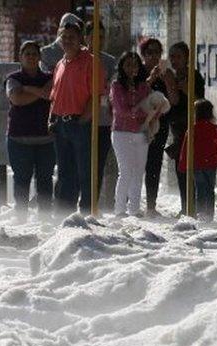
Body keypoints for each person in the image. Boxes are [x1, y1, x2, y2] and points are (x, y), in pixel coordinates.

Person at [50, 20, 98, 215]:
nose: (68, 40)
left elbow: (95, 96)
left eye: (72, 37)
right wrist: (51, 119)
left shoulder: (90, 61)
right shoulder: (60, 63)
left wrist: (82, 120)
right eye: (65, 37)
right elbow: (54, 95)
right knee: (64, 174)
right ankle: (65, 215)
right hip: (60, 124)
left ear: (81, 39)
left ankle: (86, 214)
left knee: (84, 173)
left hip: (80, 124)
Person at [5, 41, 55, 223]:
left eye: (35, 54)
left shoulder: (50, 77)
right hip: (19, 139)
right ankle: (20, 218)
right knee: (21, 180)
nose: (31, 57)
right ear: (20, 57)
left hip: (46, 139)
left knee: (45, 180)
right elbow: (17, 99)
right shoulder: (12, 78)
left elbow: (51, 94)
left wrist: (28, 88)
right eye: (28, 54)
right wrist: (39, 92)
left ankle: (44, 219)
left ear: (40, 57)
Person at [163, 42, 205, 216]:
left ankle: (193, 207)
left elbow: (199, 100)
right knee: (181, 168)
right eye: (172, 57)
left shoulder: (193, 76)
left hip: (192, 124)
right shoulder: (171, 75)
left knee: (191, 167)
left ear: (187, 58)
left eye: (178, 56)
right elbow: (172, 101)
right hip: (177, 126)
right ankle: (185, 206)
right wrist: (170, 84)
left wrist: (185, 89)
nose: (175, 60)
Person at [109, 52, 152, 217]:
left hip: (141, 132)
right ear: (122, 67)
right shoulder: (117, 85)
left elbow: (151, 106)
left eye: (134, 65)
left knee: (139, 171)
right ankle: (120, 208)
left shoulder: (143, 86)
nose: (131, 69)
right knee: (125, 170)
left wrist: (143, 113)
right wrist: (140, 112)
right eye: (128, 65)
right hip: (121, 132)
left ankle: (134, 208)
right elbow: (121, 110)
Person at [139, 38, 175, 216]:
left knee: (154, 164)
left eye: (157, 53)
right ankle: (131, 203)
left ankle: (151, 205)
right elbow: (135, 97)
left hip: (159, 126)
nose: (153, 56)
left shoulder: (165, 75)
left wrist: (168, 81)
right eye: (149, 53)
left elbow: (173, 100)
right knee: (135, 164)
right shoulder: (136, 73)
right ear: (143, 55)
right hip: (137, 127)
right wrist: (151, 79)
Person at [85, 19, 117, 208]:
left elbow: (112, 88)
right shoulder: (78, 59)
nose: (99, 41)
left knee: (99, 166)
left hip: (104, 120)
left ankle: (94, 204)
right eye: (95, 37)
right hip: (82, 118)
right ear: (86, 37)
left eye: (102, 37)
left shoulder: (110, 62)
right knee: (80, 164)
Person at [178, 99, 217, 220]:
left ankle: (201, 212)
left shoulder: (193, 129)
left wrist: (183, 165)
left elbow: (186, 148)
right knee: (210, 189)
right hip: (211, 165)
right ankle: (210, 213)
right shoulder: (215, 129)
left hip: (197, 164)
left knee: (200, 188)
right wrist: (211, 157)